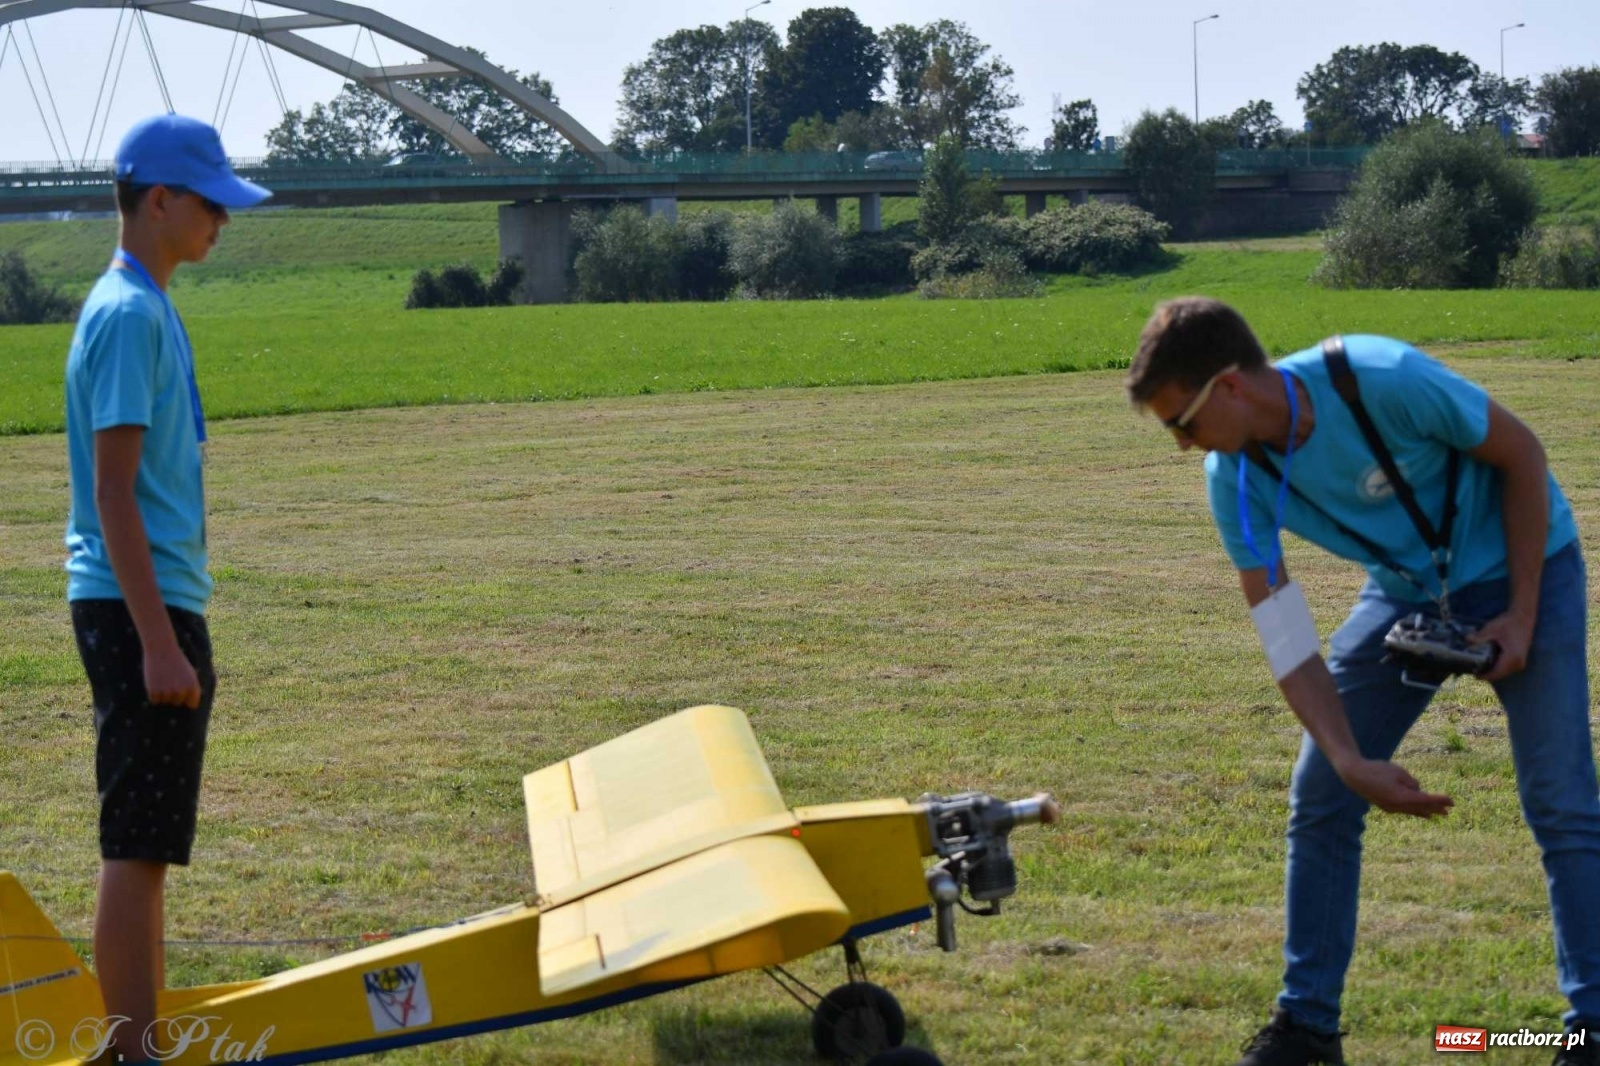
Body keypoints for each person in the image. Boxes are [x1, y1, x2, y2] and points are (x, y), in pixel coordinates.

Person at [1125, 297, 1600, 1066]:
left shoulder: (1380, 376)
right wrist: (1348, 758)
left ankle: (1592, 1027)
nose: (1181, 444)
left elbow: (1522, 455)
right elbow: (1282, 627)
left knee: (1560, 799)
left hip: (1529, 565)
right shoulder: (1232, 477)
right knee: (1322, 790)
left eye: (1182, 422)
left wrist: (1520, 615)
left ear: (1230, 386)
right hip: (1410, 590)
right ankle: (1306, 1029)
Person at [64, 114, 270, 1065]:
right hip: (136, 607)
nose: (222, 220)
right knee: (136, 842)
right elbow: (113, 493)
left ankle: (138, 1043)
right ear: (159, 200)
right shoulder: (127, 315)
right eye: (211, 203)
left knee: (148, 845)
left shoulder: (143, 304)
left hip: (150, 601)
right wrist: (156, 641)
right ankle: (131, 1050)